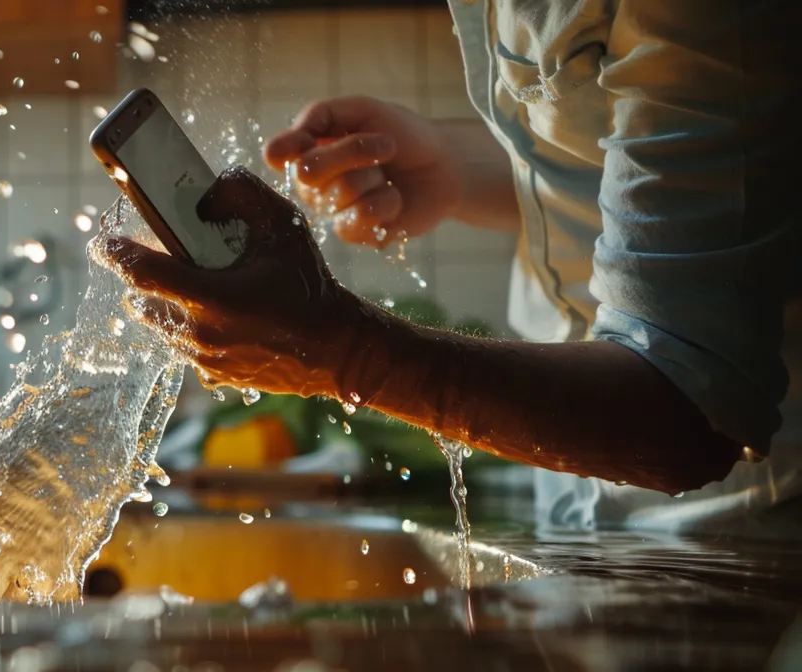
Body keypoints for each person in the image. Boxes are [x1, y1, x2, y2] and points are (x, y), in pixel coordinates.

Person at [104, 0, 802, 536]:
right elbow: (641, 173)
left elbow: (688, 417)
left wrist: (344, 354)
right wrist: (458, 173)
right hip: (577, 512)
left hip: (735, 539)